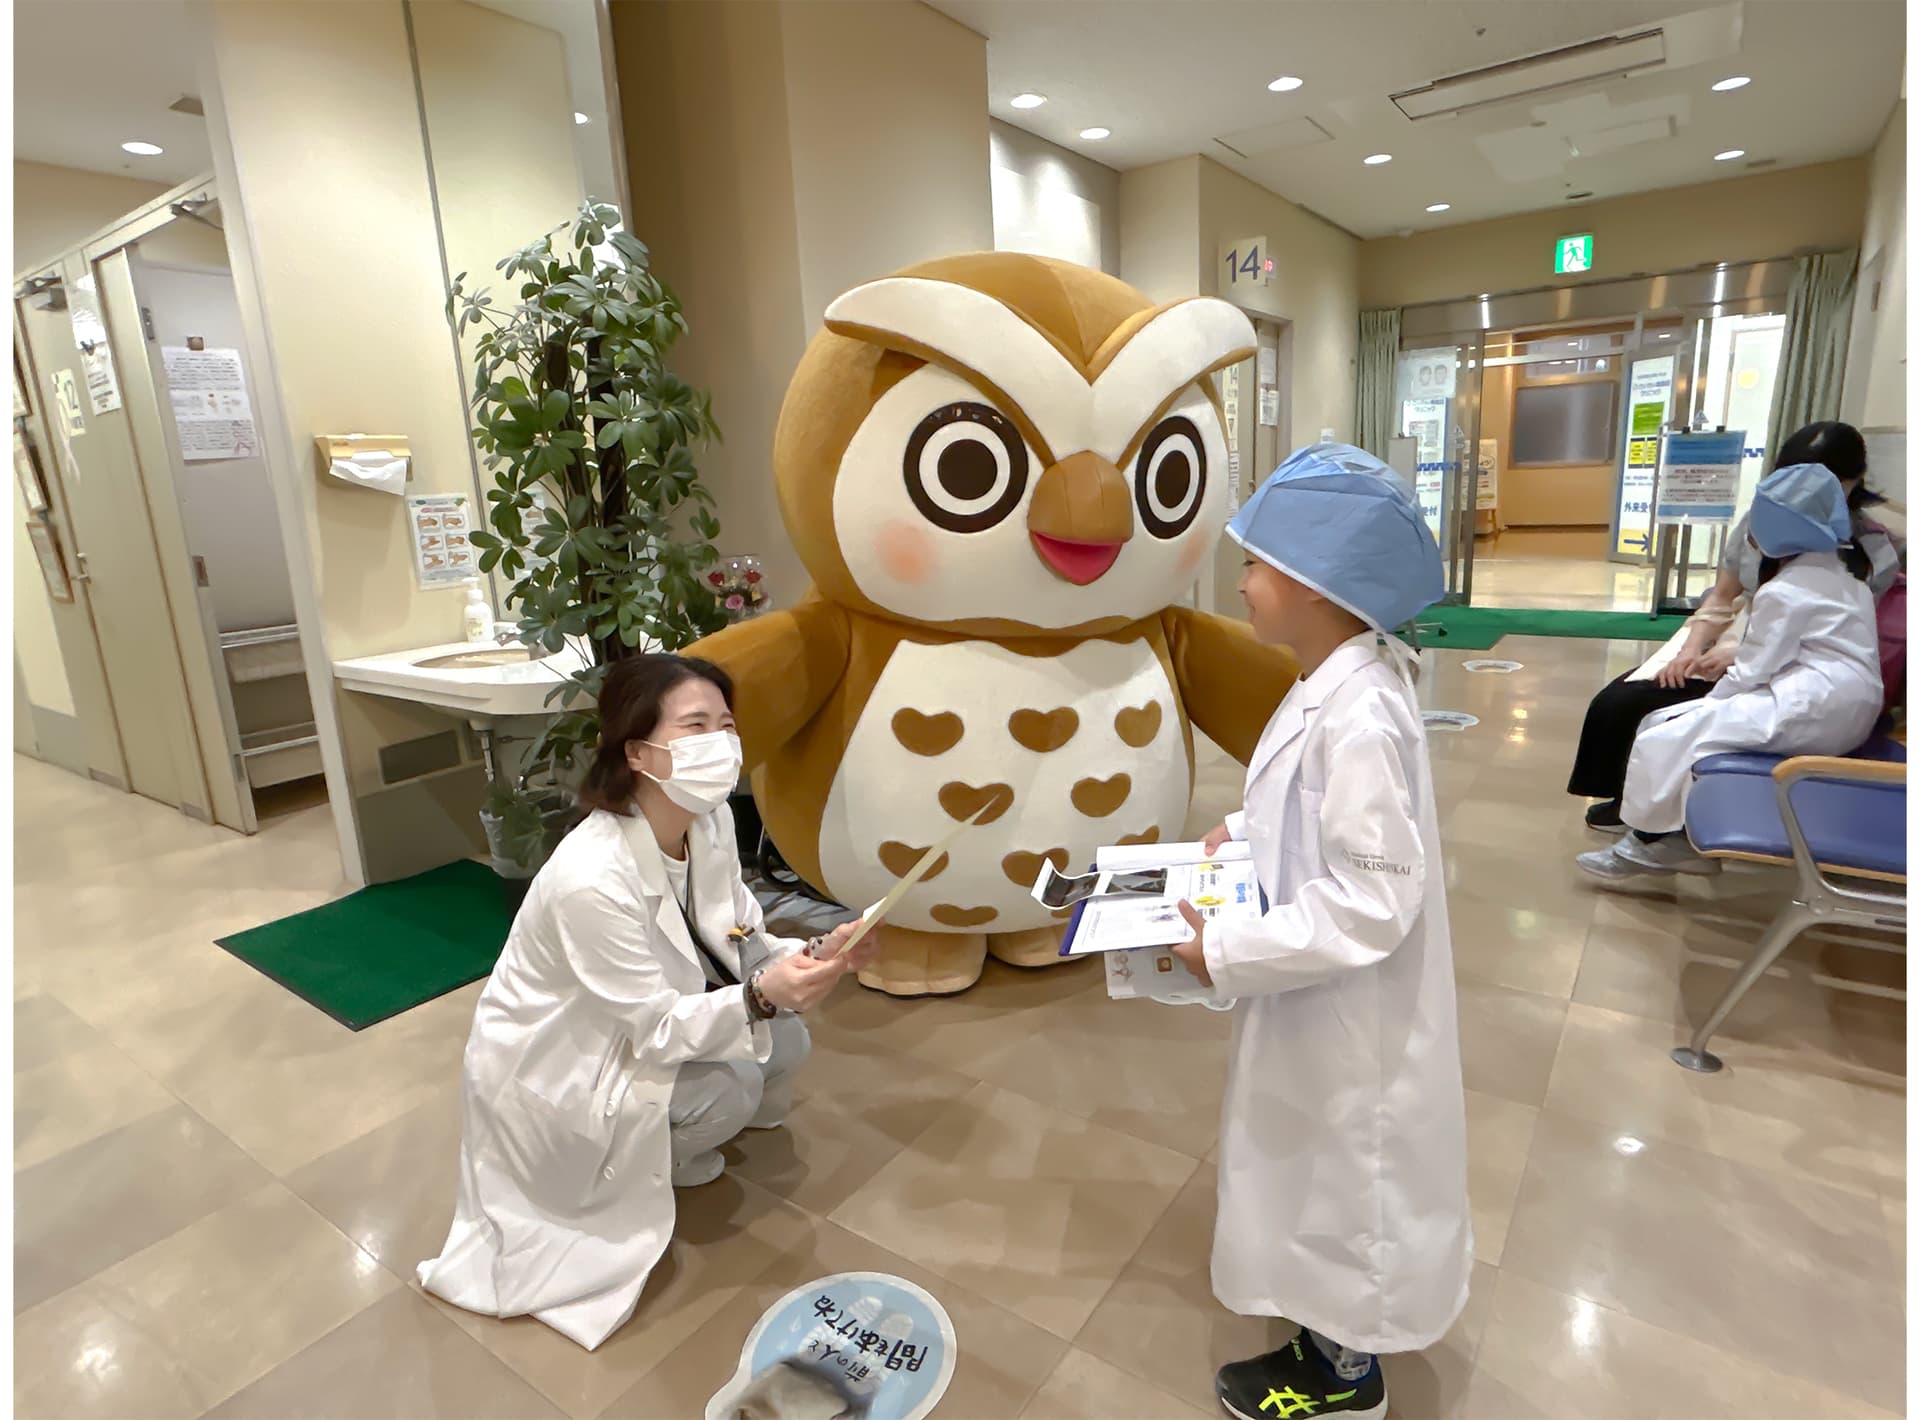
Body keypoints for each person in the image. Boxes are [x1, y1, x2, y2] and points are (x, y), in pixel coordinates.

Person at [419, 654, 875, 1351]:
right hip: (561, 1060)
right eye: (695, 726)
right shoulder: (590, 876)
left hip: (645, 1016)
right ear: (637, 752)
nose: (720, 743)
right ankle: (664, 1156)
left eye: (727, 725)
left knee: (788, 1041)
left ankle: (682, 1131)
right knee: (732, 1084)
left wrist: (813, 953)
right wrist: (759, 996)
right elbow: (655, 1028)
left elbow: (741, 937)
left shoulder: (708, 822)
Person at [1170, 443, 1471, 1420]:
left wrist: (1221, 950)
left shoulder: (1363, 711)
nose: (1241, 584)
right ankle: (1324, 1327)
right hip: (1312, 986)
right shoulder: (1330, 681)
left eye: (1254, 565)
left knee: (1350, 1178)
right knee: (1309, 1159)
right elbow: (1312, 805)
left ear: (1313, 581)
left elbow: (1374, 899)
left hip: (1351, 1005)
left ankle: (1346, 1375)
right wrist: (1243, 827)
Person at [1568, 420, 1902, 832]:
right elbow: (1722, 599)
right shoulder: (1770, 525)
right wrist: (1691, 649)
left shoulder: (1867, 550)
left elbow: (1812, 639)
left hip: (1786, 673)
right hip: (1758, 656)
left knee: (1667, 720)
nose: (1806, 488)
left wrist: (1733, 661)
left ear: (1853, 480)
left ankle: (1659, 825)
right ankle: (1633, 802)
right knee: (1619, 701)